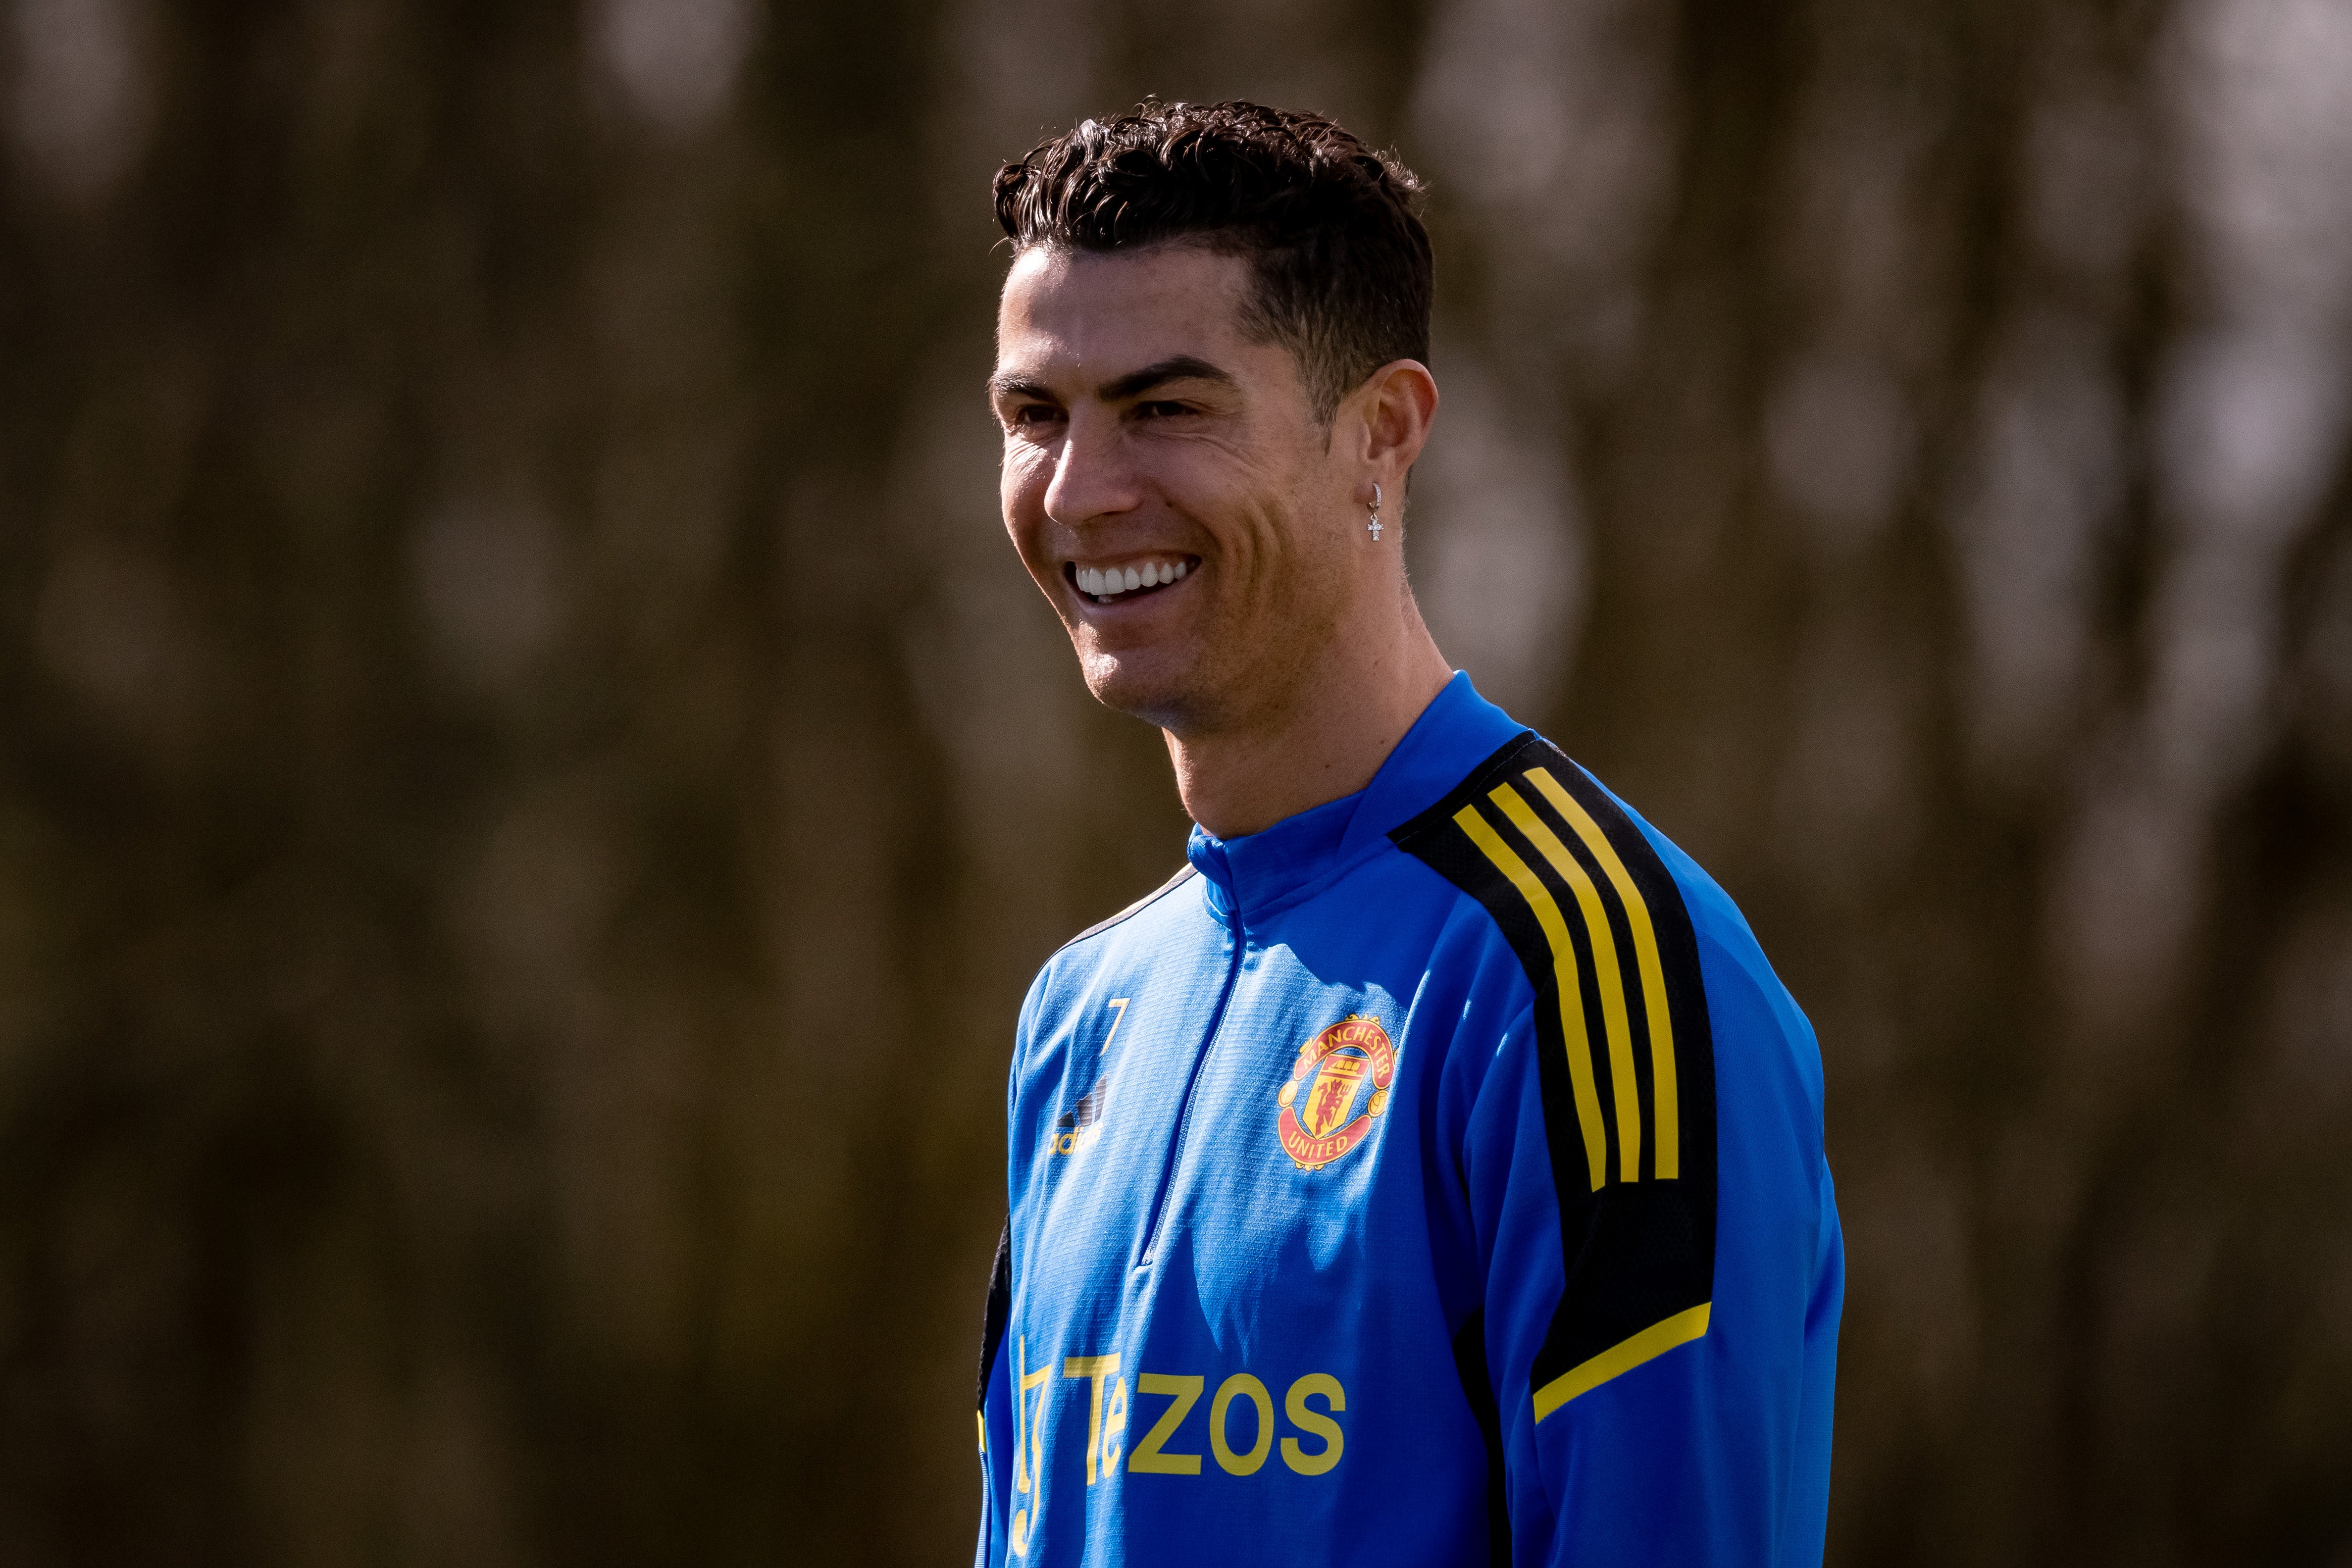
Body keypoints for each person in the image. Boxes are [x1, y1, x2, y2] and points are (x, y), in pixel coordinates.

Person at [971, 101, 1841, 1568]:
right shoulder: (1082, 1014)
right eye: (1035, 417)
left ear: (1381, 432)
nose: (1081, 492)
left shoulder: (1592, 968)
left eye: (1167, 408)